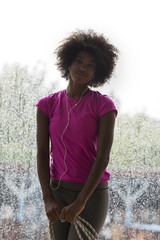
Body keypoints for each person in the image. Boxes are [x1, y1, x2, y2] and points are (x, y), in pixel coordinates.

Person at [36, 29, 118, 239]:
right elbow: (43, 153)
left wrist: (81, 201)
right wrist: (48, 198)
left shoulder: (103, 106)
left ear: (97, 73)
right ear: (69, 63)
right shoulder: (47, 105)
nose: (83, 68)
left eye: (91, 65)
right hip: (57, 191)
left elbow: (103, 158)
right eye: (79, 61)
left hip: (91, 194)